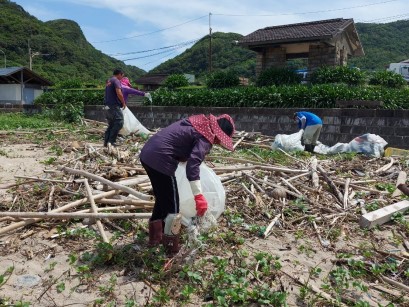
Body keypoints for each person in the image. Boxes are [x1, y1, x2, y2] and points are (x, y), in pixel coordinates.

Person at [139, 114, 235, 256]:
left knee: (162, 198)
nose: (217, 143)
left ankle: (155, 239)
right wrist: (199, 196)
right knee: (173, 207)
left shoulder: (199, 123)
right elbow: (192, 165)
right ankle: (170, 249)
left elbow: (182, 146)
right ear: (219, 134)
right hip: (161, 159)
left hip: (148, 154)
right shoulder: (206, 136)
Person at [104, 69, 126, 147]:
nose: (122, 77)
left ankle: (106, 142)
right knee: (119, 122)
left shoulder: (109, 81)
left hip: (107, 105)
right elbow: (119, 93)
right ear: (119, 74)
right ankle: (111, 141)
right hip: (113, 105)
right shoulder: (116, 80)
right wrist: (123, 102)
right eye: (122, 75)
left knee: (112, 123)